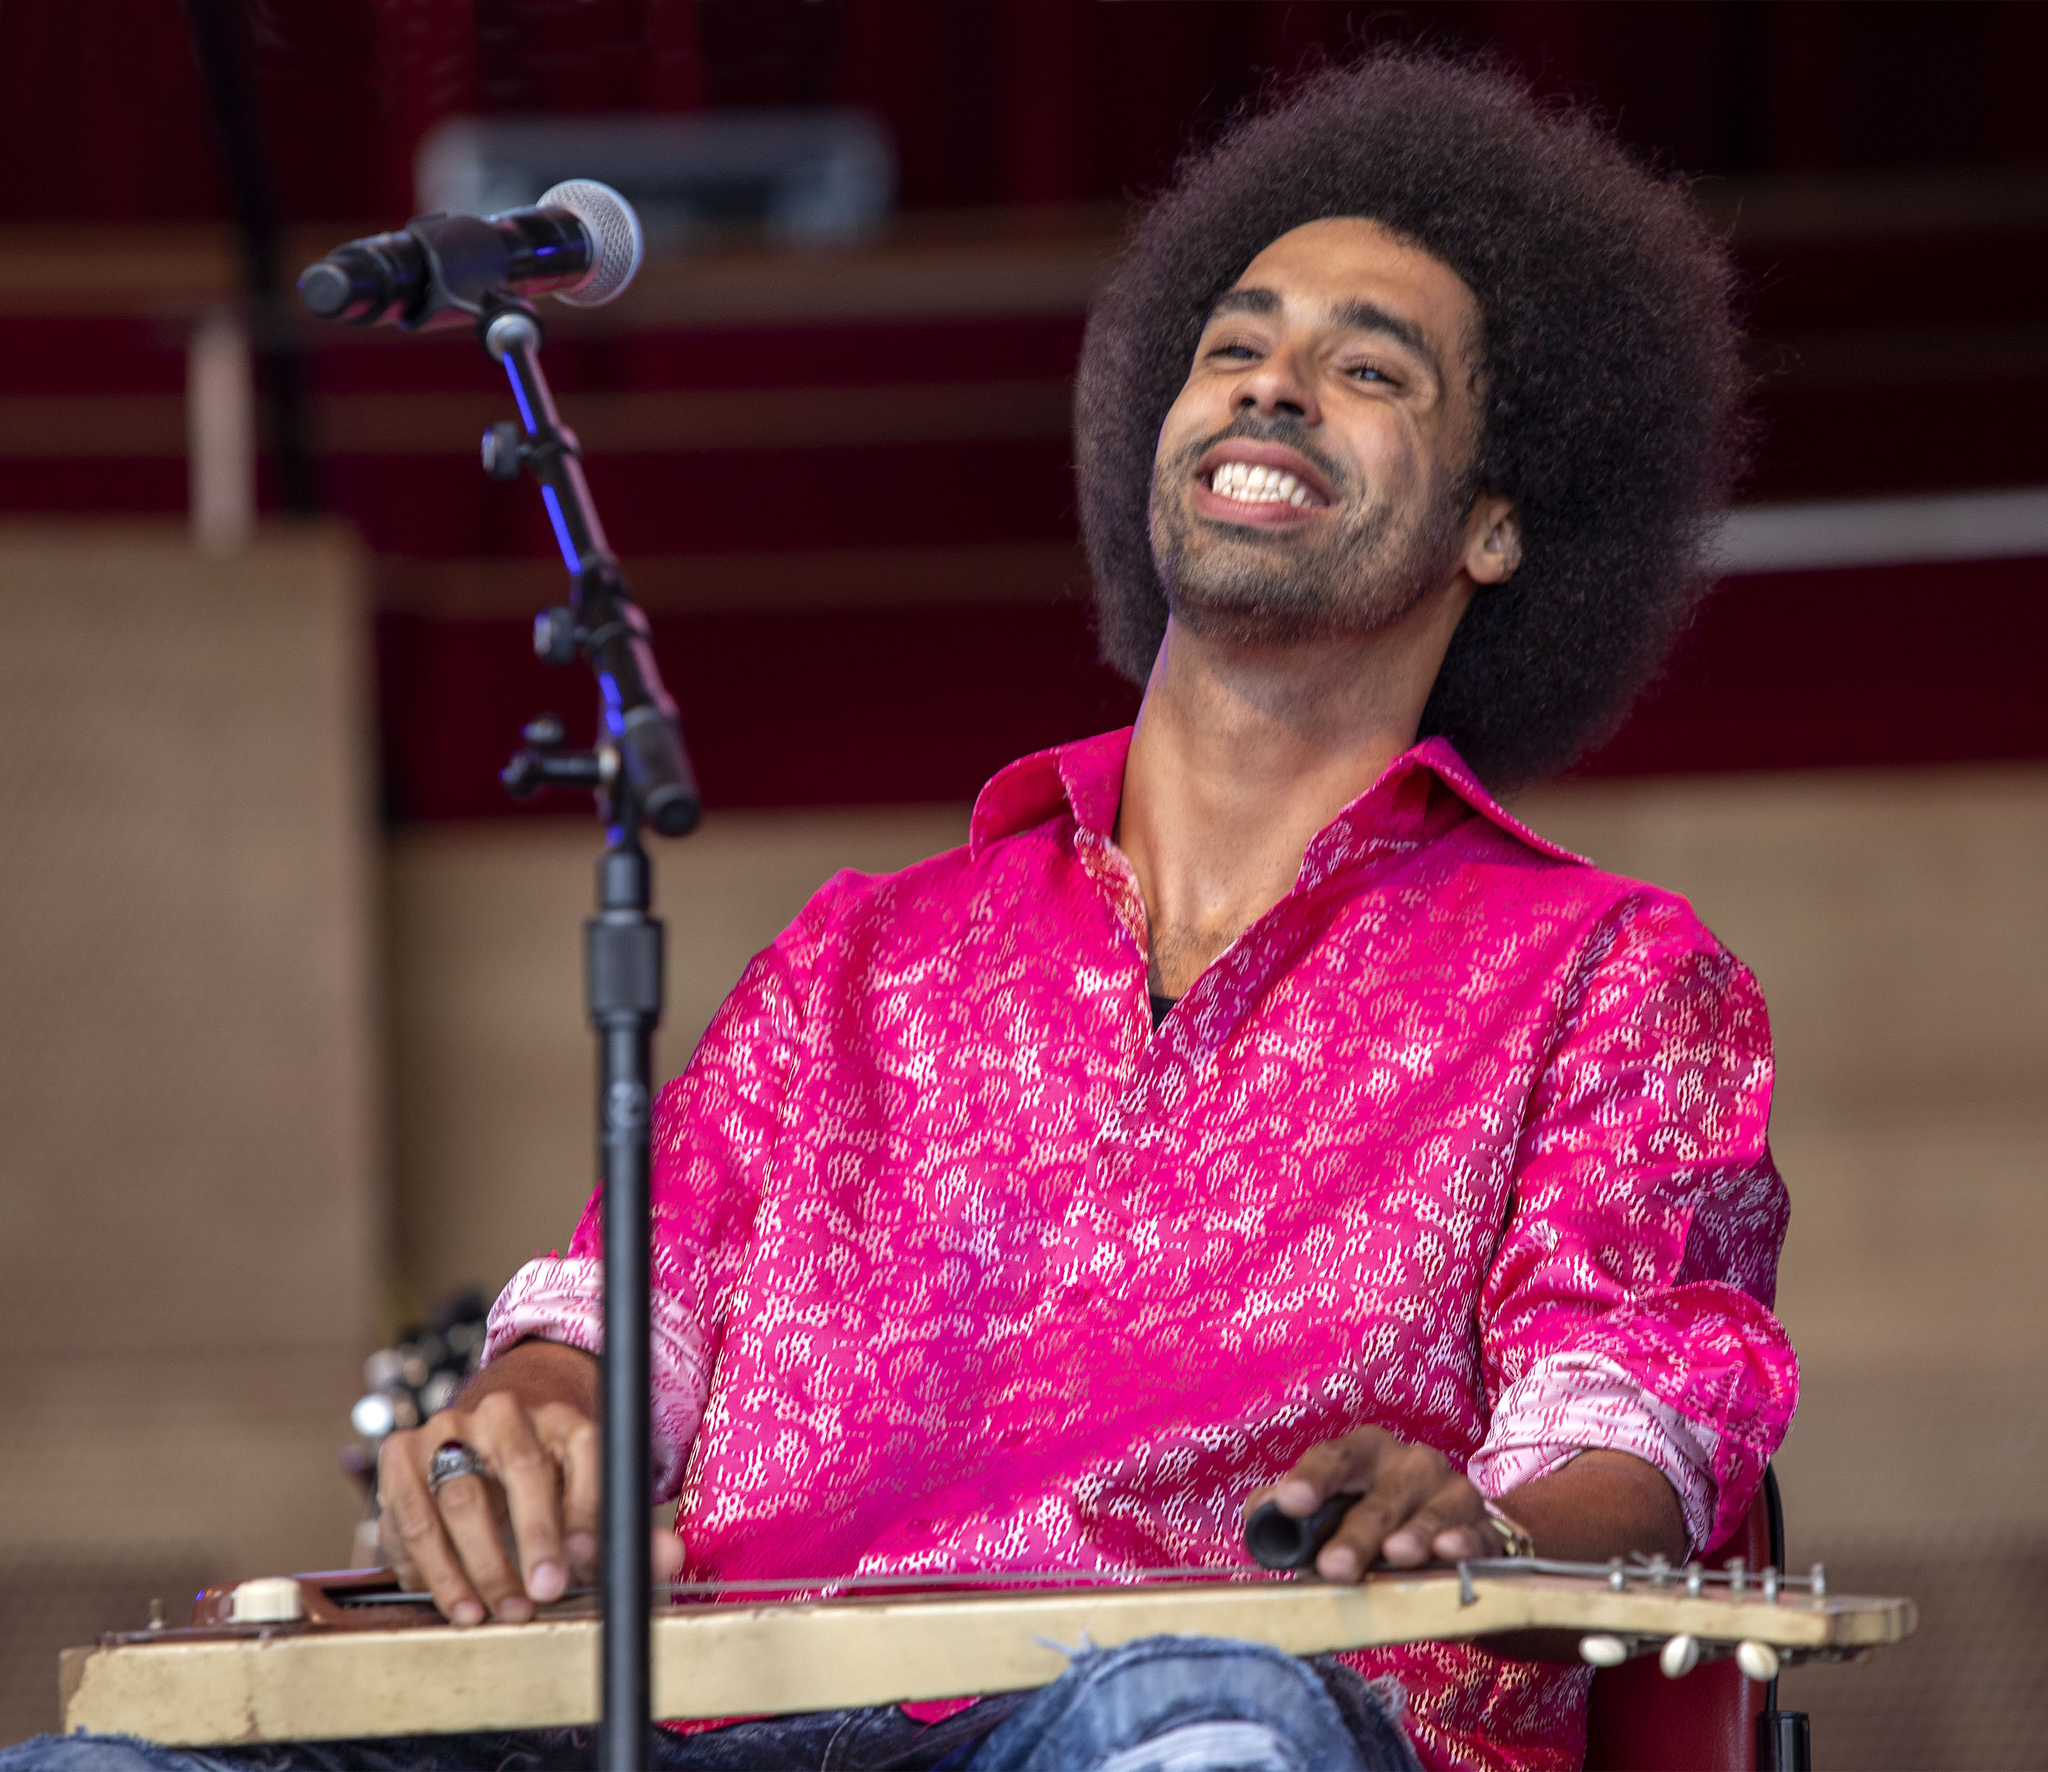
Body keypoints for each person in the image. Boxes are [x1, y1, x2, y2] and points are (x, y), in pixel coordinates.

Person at [9, 47, 1793, 1772]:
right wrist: (539, 1415)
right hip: (747, 1727)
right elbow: (628, 1317)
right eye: (1232, 346)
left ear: (1494, 526)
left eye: (1370, 370)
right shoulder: (860, 955)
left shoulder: (1610, 980)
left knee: (1187, 1732)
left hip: (1209, 1716)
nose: (1269, 385)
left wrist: (1484, 1515)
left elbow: (1641, 1421)